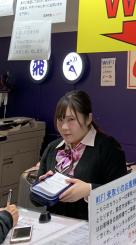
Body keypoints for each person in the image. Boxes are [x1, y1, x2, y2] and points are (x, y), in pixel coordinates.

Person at [35, 90, 127, 220]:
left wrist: (89, 190)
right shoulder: (52, 148)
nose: (64, 127)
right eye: (60, 119)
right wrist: (41, 188)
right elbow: (35, 200)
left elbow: (123, 195)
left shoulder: (109, 148)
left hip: (93, 227)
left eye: (71, 120)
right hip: (55, 225)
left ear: (88, 119)